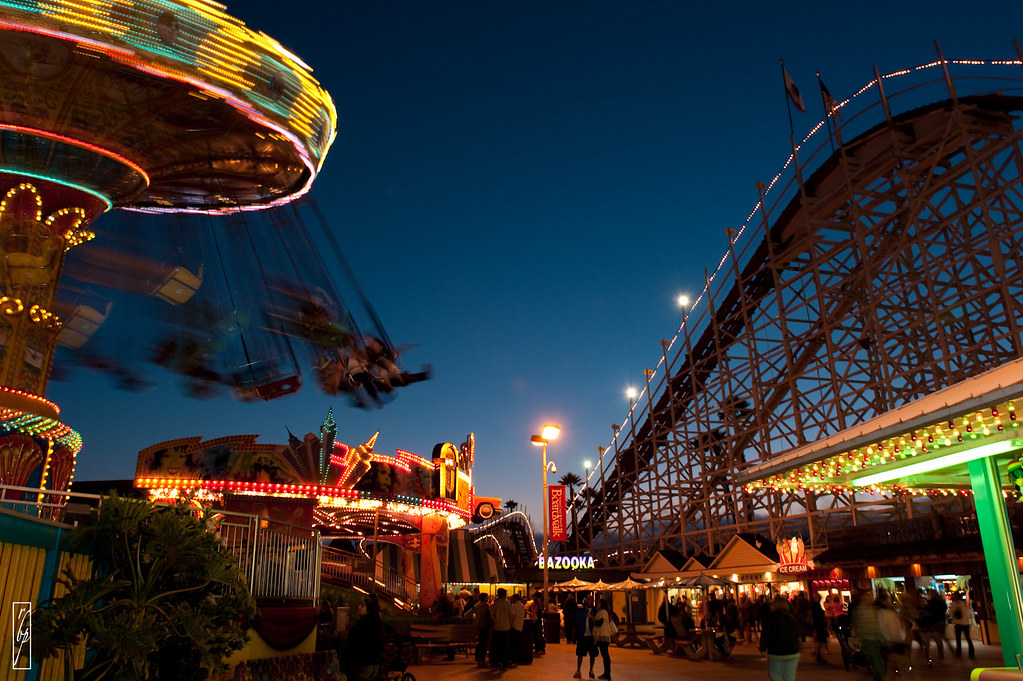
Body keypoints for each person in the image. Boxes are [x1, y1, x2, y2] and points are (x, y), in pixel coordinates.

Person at [759, 595, 800, 681]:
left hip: (776, 652)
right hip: (792, 651)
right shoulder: (790, 618)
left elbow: (766, 634)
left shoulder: (770, 619)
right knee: (789, 676)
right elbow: (796, 633)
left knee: (774, 674)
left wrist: (762, 647)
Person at [346, 594, 385, 681]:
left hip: (363, 663)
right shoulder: (378, 623)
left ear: (368, 610)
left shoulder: (363, 624)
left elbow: (354, 642)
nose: (359, 607)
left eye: (363, 606)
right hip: (375, 663)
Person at [850, 588, 885, 681]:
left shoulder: (869, 609)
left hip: (872, 637)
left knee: (876, 658)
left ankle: (876, 672)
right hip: (868, 638)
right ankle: (878, 674)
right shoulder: (863, 610)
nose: (870, 598)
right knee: (876, 659)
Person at [574, 594, 598, 679]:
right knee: (580, 654)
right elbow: (578, 622)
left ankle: (591, 670)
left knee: (593, 655)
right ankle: (578, 670)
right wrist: (578, 634)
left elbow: (598, 623)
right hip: (583, 636)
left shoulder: (595, 611)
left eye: (590, 599)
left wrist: (592, 618)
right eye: (588, 599)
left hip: (592, 636)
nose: (589, 601)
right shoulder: (581, 611)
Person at [592, 596, 615, 681]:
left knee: (605, 656)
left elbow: (599, 623)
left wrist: (592, 618)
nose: (597, 605)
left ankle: (607, 674)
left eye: (598, 603)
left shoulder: (603, 612)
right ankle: (606, 673)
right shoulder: (604, 612)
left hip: (603, 637)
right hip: (604, 636)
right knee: (605, 655)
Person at [490, 588, 512, 669]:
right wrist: (510, 623)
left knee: (496, 647)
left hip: (497, 627)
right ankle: (505, 663)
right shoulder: (508, 604)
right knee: (505, 647)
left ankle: (496, 663)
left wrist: (495, 621)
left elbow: (491, 615)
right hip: (506, 628)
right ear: (504, 595)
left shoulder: (495, 604)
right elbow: (512, 615)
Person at [950, 592, 975, 659]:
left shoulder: (954, 603)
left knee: (958, 639)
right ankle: (971, 653)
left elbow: (951, 612)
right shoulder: (965, 603)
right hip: (966, 623)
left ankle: (959, 652)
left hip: (958, 623)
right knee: (968, 638)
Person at [473, 592, 492, 668]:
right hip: (485, 626)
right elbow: (489, 616)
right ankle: (482, 660)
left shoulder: (477, 605)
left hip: (479, 626)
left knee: (481, 643)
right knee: (484, 644)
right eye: (487, 597)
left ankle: (479, 659)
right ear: (484, 598)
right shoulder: (485, 606)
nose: (488, 599)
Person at [811, 595, 829, 664]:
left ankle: (817, 653)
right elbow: (818, 614)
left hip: (818, 624)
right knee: (820, 639)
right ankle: (817, 654)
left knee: (819, 639)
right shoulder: (815, 605)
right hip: (818, 624)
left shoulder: (815, 605)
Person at [510, 593, 526, 665]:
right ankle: (518, 659)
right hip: (520, 626)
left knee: (513, 645)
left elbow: (512, 617)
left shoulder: (514, 606)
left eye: (512, 598)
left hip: (514, 626)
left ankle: (514, 660)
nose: (511, 600)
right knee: (518, 644)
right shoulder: (522, 606)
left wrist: (510, 624)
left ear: (515, 599)